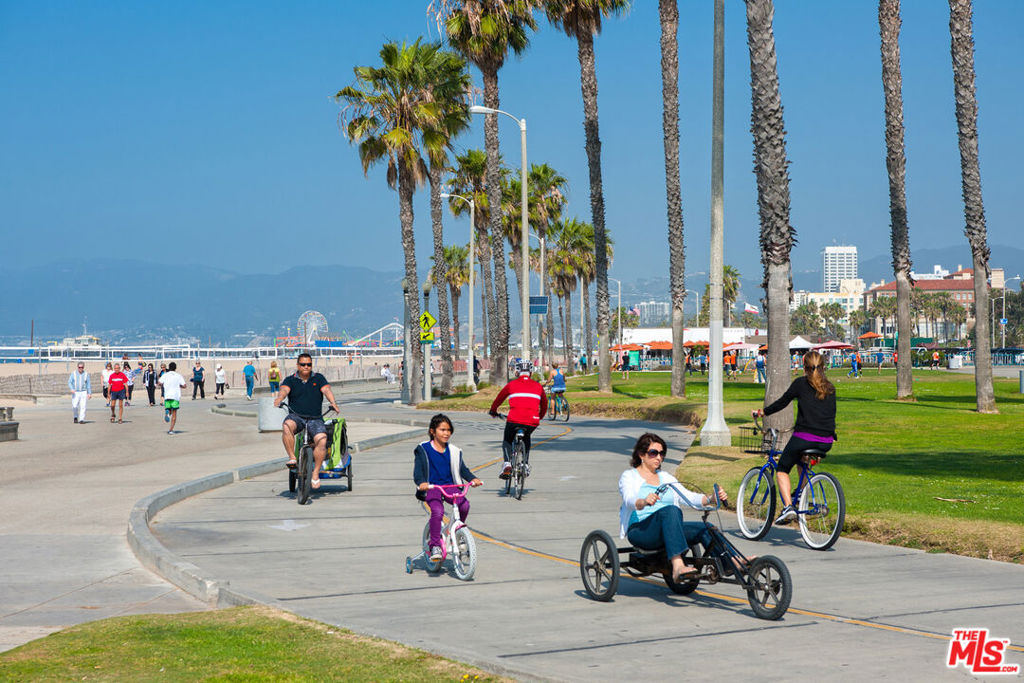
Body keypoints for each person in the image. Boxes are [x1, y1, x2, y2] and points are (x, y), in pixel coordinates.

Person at [619, 433, 731, 583]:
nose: (659, 457)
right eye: (653, 453)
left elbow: (689, 497)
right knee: (671, 511)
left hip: (668, 527)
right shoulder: (629, 476)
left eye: (662, 453)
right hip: (641, 531)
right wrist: (644, 501)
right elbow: (629, 500)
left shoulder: (666, 478)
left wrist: (711, 498)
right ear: (641, 454)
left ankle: (731, 563)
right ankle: (678, 566)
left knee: (707, 528)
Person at [755, 350, 837, 525]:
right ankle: (801, 494)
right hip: (826, 440)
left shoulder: (800, 383)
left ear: (804, 367)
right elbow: (831, 413)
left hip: (804, 437)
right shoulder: (830, 387)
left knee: (782, 469)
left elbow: (783, 402)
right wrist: (832, 434)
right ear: (823, 367)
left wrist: (763, 412)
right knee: (801, 462)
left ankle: (788, 508)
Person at [413, 414, 483, 561]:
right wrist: (421, 483)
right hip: (432, 487)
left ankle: (458, 534)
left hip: (451, 486)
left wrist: (473, 479)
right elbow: (418, 470)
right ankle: (435, 545)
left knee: (464, 506)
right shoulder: (423, 449)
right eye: (442, 430)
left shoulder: (454, 451)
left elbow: (463, 469)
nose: (446, 433)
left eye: (449, 430)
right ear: (432, 431)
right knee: (437, 511)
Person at [274, 353, 340, 490]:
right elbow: (284, 390)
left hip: (315, 418)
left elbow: (326, 390)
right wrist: (279, 398)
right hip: (296, 416)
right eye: (303, 364)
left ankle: (315, 473)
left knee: (322, 440)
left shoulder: (318, 378)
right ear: (298, 365)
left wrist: (333, 402)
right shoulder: (290, 380)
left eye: (309, 364)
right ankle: (292, 458)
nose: (306, 367)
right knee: (287, 426)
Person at [488, 360, 547, 479]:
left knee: (507, 440)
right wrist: (539, 417)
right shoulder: (538, 386)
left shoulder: (511, 385)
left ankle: (507, 464)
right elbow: (544, 405)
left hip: (514, 419)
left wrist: (493, 411)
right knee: (527, 436)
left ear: (517, 372)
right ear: (531, 372)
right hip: (532, 420)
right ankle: (525, 464)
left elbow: (499, 399)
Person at [159, 362, 187, 434]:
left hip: (167, 395)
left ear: (169, 367)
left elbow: (159, 382)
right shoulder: (178, 376)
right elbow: (184, 385)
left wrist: (164, 384)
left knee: (169, 408)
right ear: (175, 368)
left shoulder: (165, 375)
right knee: (174, 413)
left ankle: (168, 412)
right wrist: (179, 385)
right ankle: (171, 430)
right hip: (175, 396)